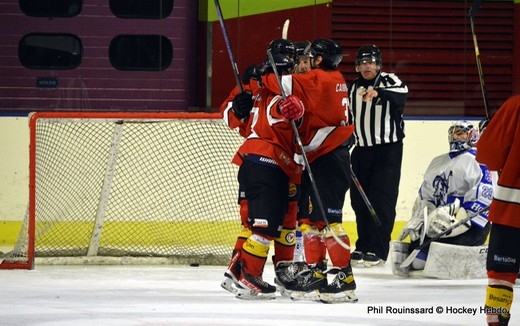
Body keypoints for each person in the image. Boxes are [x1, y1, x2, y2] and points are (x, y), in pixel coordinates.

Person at [262, 38, 358, 303]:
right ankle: (316, 272)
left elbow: (281, 85)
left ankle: (344, 278)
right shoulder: (335, 77)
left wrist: (264, 73)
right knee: (310, 222)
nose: (306, 61)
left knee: (329, 222)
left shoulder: (320, 79)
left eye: (310, 57)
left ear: (317, 60)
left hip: (329, 158)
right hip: (321, 156)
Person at [219, 38, 305, 300]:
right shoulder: (258, 86)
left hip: (281, 164)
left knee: (282, 219)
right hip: (270, 160)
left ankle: (243, 270)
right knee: (261, 223)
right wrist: (237, 107)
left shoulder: (277, 83)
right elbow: (227, 115)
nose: (293, 63)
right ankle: (248, 274)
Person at [393, 120, 494, 276]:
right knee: (418, 261)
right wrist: (421, 218)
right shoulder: (437, 162)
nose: (455, 137)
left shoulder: (479, 161)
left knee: (427, 257)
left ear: (472, 136)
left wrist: (460, 220)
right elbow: (425, 196)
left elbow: (485, 197)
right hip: (437, 224)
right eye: (453, 133)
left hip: (469, 225)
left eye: (460, 133)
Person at [347, 44, 408, 267]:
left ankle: (379, 249)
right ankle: (363, 245)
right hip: (361, 151)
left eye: (371, 62)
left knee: (382, 200)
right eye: (363, 62)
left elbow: (403, 94)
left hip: (387, 151)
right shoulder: (352, 88)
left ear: (378, 65)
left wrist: (379, 92)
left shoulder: (389, 80)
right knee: (359, 201)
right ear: (357, 66)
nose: (367, 66)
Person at [476, 95, 520, 326]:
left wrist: (492, 130)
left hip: (511, 210)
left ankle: (496, 322)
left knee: (502, 275)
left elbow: (487, 156)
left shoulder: (515, 106)